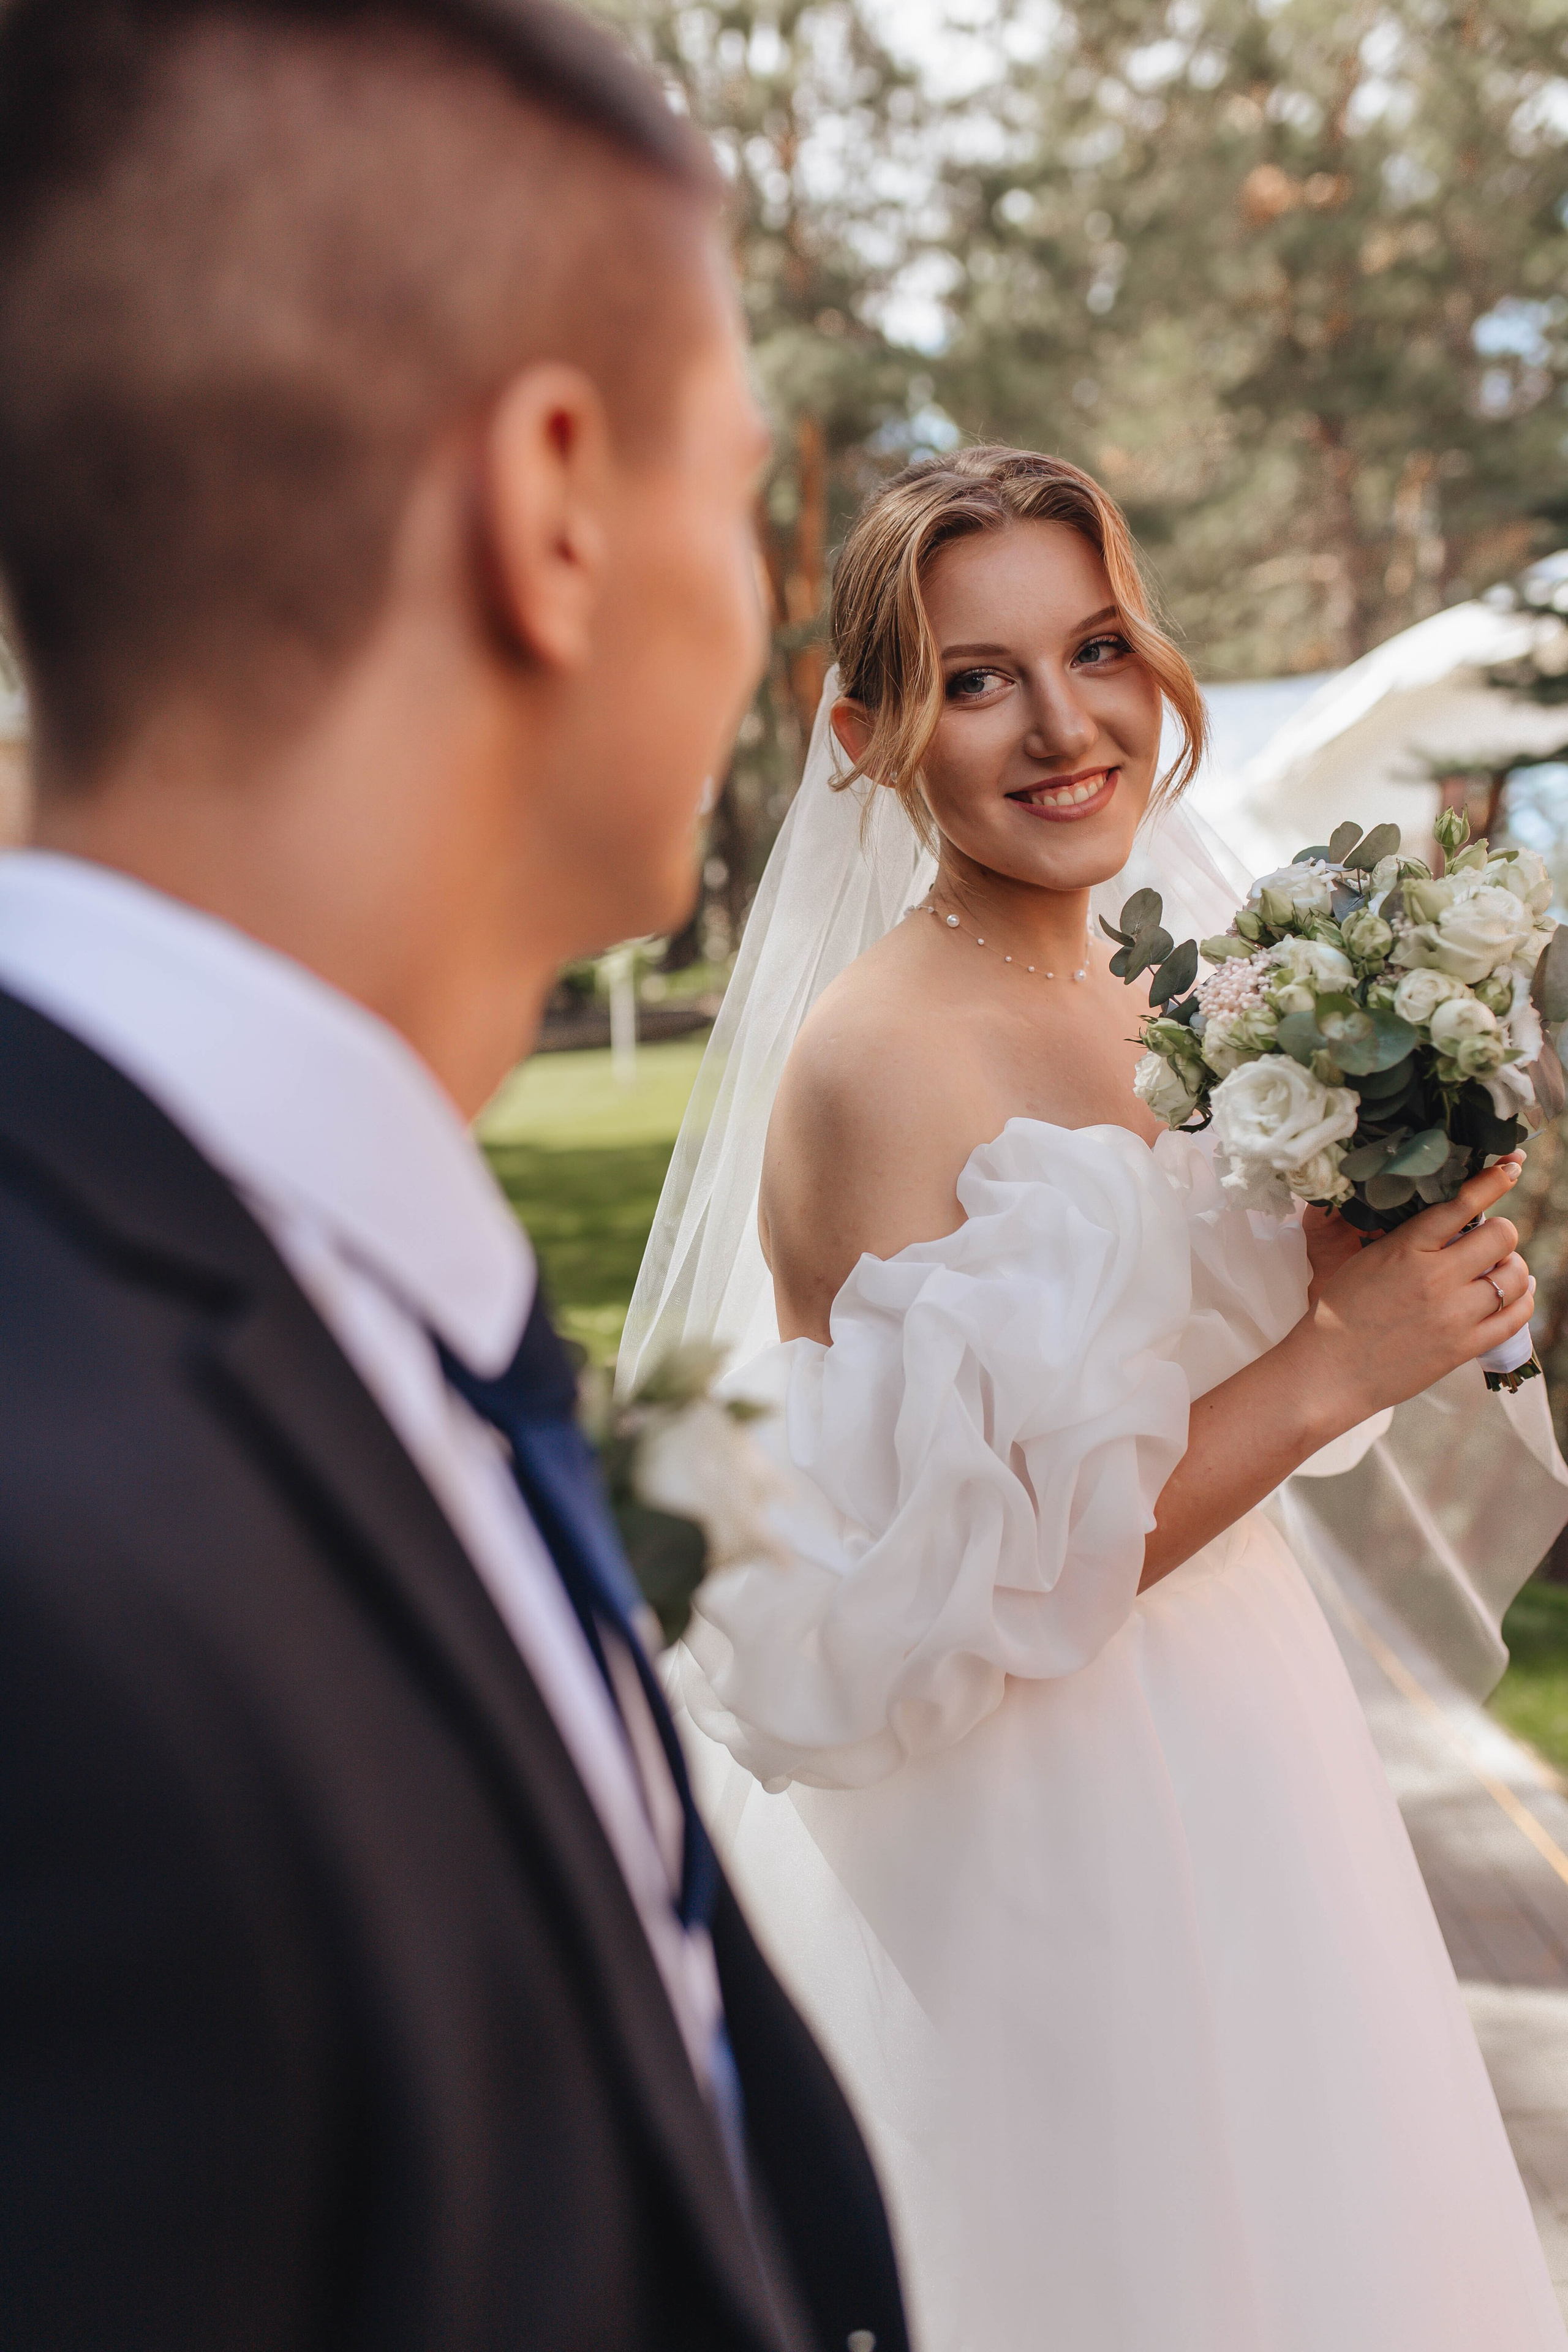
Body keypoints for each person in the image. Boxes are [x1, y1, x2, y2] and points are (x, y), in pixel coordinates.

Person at [0, 6, 911, 2348]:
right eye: (741, 493)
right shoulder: (61, 1537)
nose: (764, 618)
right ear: (555, 509)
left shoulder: (314, 1307)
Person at [620, 445, 1568, 2350]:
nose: (1066, 727)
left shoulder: (1189, 993)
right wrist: (1332, 1364)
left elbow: (1178, 1375)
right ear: (870, 732)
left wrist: (1373, 1273)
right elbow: (974, 1574)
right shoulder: (879, 1060)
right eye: (979, 680)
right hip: (1048, 1806)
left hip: (1246, 1732)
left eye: (1100, 649)